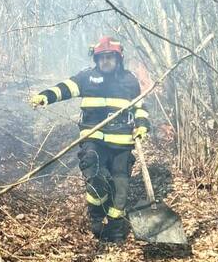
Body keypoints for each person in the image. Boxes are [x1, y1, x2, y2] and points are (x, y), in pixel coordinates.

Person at [29, 37, 150, 243]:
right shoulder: (87, 77)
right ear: (96, 59)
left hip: (122, 142)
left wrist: (143, 126)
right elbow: (65, 88)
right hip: (93, 139)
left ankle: (115, 229)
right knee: (96, 177)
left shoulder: (129, 81)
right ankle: (96, 217)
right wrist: (45, 96)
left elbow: (140, 107)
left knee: (120, 188)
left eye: (109, 57)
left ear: (118, 59)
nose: (105, 61)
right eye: (101, 58)